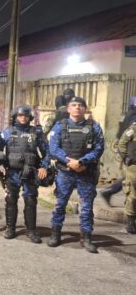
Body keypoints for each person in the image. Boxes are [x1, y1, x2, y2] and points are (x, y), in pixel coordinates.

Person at [47, 96, 104, 253]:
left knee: (86, 207)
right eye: (74, 105)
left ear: (85, 109)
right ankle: (55, 234)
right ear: (68, 108)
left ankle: (86, 237)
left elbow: (99, 149)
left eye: (80, 105)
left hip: (85, 172)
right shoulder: (60, 126)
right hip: (65, 172)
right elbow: (53, 148)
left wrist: (82, 162)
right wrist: (69, 161)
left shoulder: (94, 127)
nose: (77, 107)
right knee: (60, 205)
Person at [0, 105, 50, 243]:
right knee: (10, 199)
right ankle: (10, 228)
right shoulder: (8, 132)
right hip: (12, 172)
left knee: (31, 200)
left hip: (31, 172)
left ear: (30, 118)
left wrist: (44, 167)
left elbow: (47, 152)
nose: (23, 118)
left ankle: (31, 230)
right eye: (20, 115)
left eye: (26, 116)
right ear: (15, 117)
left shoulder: (36, 132)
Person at [100, 95, 136, 205]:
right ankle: (117, 194)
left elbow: (120, 131)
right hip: (131, 150)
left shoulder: (126, 114)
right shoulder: (134, 116)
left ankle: (111, 192)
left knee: (130, 175)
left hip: (126, 149)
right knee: (131, 176)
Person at [116, 121, 136, 234]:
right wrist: (128, 158)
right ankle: (130, 221)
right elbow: (122, 144)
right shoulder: (133, 129)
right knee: (132, 195)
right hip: (134, 168)